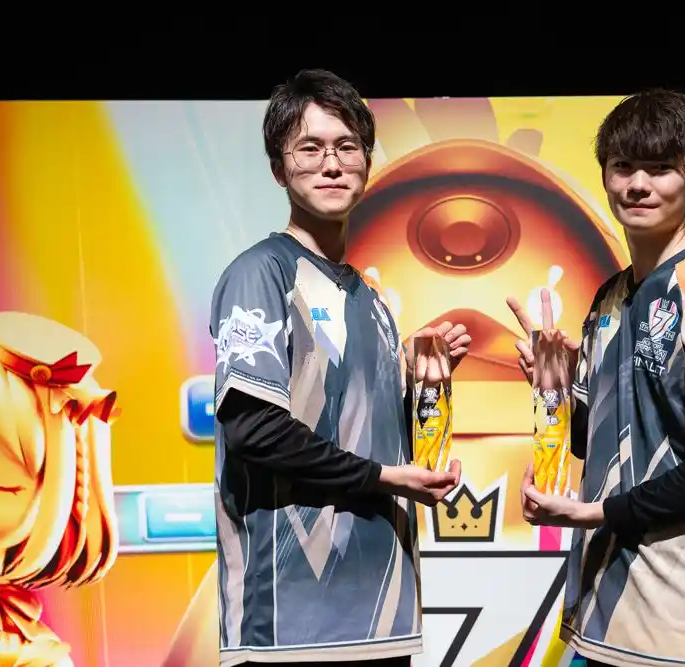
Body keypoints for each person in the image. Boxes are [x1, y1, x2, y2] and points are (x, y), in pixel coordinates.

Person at [210, 69, 471, 667]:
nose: (331, 164)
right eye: (310, 148)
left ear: (366, 163)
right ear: (279, 169)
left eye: (347, 146)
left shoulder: (371, 300)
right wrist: (383, 477)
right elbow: (255, 430)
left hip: (385, 613)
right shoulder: (261, 273)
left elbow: (366, 439)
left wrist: (423, 394)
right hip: (289, 626)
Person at [507, 89, 685, 667]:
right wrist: (553, 393)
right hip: (603, 616)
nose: (638, 185)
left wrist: (598, 514)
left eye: (660, 168)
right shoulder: (610, 295)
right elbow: (590, 443)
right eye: (623, 166)